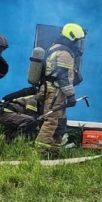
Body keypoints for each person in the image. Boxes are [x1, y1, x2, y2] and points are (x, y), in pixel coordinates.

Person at [35, 23, 86, 157]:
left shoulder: (55, 47)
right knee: (52, 121)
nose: (78, 44)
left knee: (60, 122)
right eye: (77, 40)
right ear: (72, 37)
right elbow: (62, 77)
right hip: (56, 92)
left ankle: (53, 152)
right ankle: (40, 154)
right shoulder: (64, 52)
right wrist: (71, 96)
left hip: (54, 91)